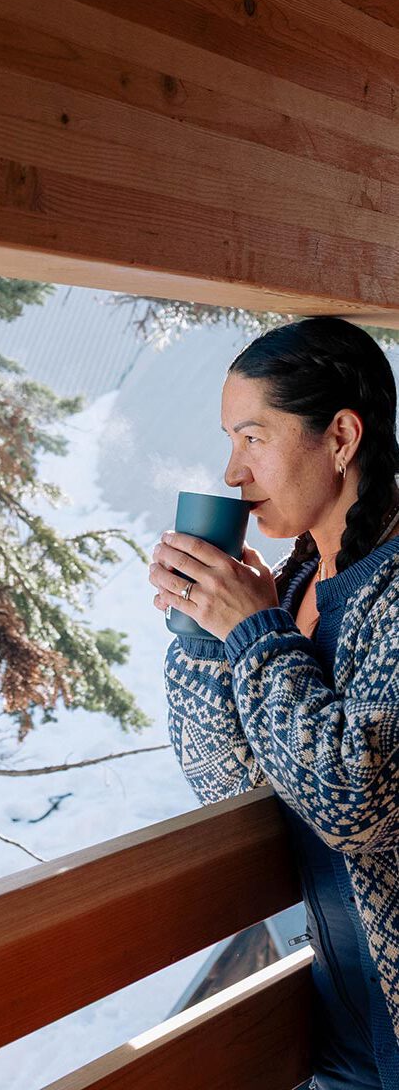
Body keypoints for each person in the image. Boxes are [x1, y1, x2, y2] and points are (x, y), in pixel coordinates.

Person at [149, 317, 399, 1090]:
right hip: (342, 1027)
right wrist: (202, 636)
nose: (232, 473)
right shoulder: (289, 585)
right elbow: (226, 785)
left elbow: (354, 806)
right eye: (230, 441)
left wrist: (252, 633)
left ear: (340, 437)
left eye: (252, 438)